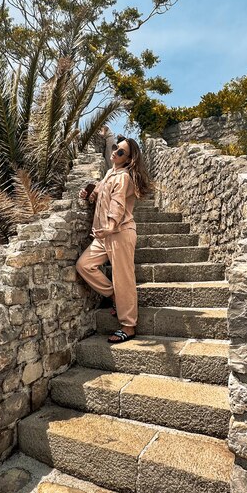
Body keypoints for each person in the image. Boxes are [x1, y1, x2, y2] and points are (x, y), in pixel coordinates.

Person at [76, 135, 151, 343]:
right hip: (104, 234)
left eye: (121, 152)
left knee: (123, 278)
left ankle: (128, 326)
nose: (115, 152)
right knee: (84, 265)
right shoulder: (110, 173)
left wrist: (109, 227)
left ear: (128, 159)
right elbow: (99, 196)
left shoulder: (124, 177)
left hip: (119, 232)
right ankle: (114, 296)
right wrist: (88, 195)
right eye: (116, 148)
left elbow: (118, 204)